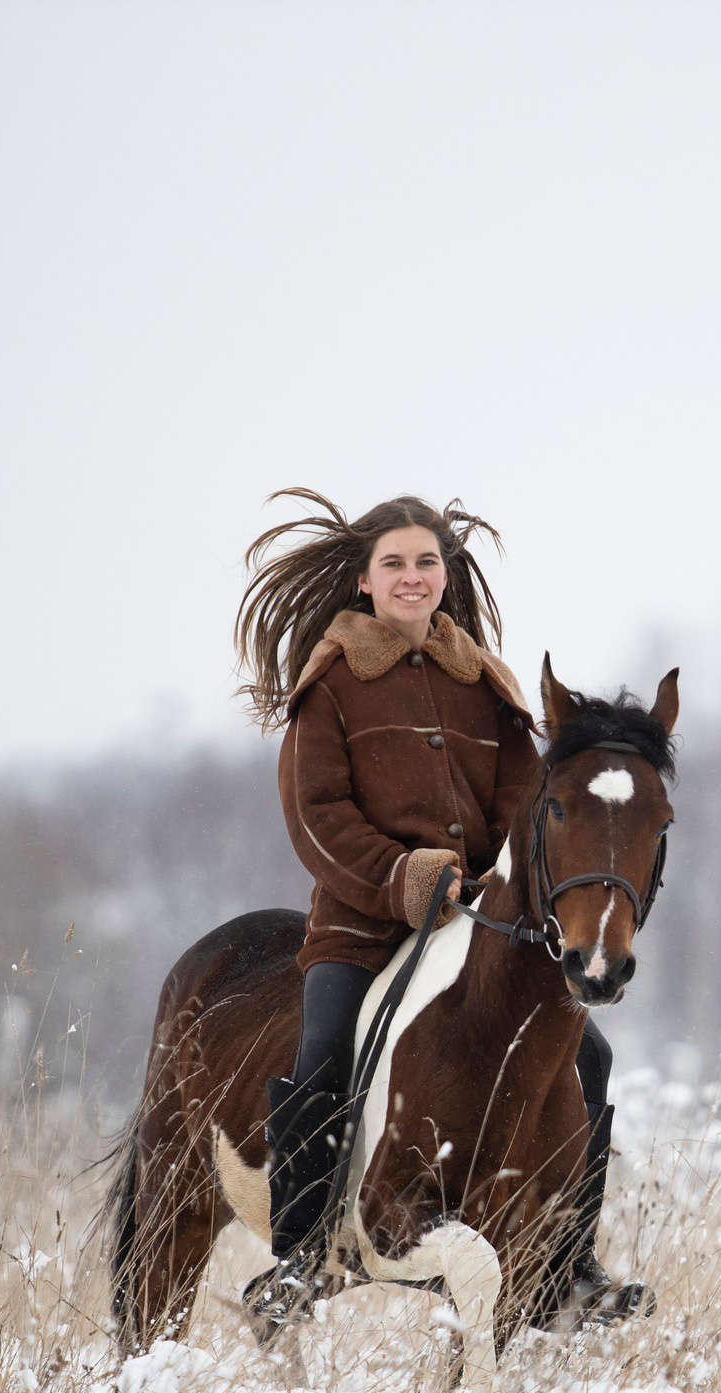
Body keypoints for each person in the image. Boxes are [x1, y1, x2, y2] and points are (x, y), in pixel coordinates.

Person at [232, 489, 636, 1328]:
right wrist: (406, 878)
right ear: (364, 579)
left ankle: (572, 1268)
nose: (412, 577)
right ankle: (302, 1258)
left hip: (473, 928)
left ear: (445, 577)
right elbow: (317, 817)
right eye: (395, 563)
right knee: (324, 1054)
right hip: (361, 928)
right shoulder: (332, 682)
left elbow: (527, 805)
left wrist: (498, 878)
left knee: (589, 1058)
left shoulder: (486, 684)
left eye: (426, 562)